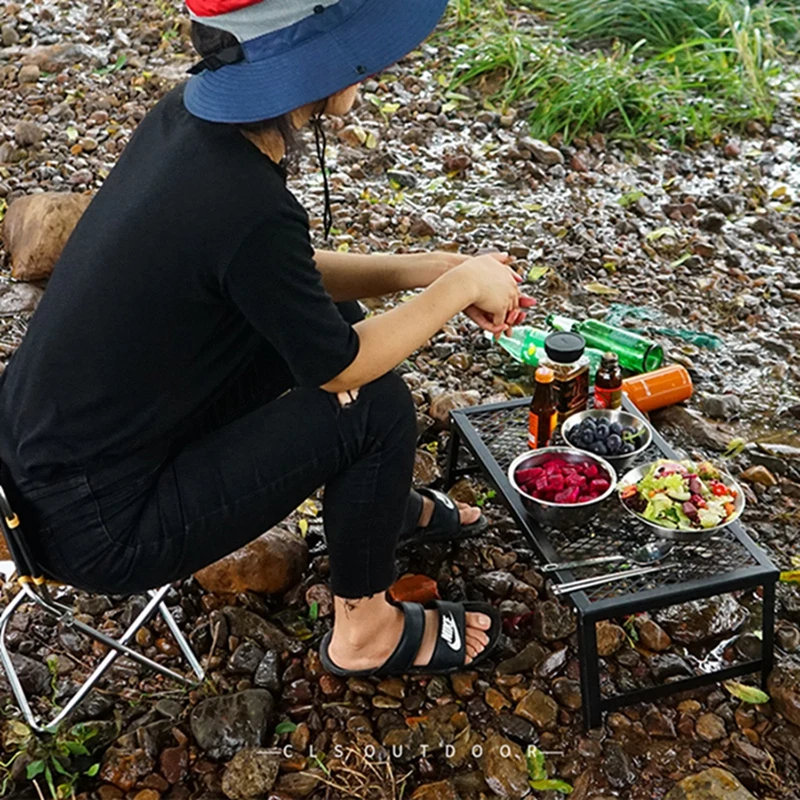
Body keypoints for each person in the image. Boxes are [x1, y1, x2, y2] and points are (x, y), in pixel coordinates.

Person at [0, 0, 534, 677]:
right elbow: (342, 368)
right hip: (100, 524)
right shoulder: (245, 200)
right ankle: (364, 633)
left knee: (331, 319)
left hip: (33, 461)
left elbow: (269, 272)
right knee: (373, 407)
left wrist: (428, 268)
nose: (366, 67)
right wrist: (456, 290)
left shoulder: (186, 122)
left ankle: (375, 504)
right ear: (310, 64)